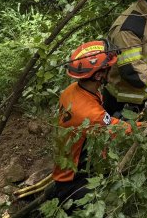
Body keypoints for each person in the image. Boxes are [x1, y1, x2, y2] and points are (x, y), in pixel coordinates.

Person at [52, 40, 132, 212]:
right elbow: (122, 131)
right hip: (75, 181)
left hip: (67, 164)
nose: (113, 70)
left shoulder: (72, 90)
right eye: (109, 67)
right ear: (98, 76)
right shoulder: (91, 114)